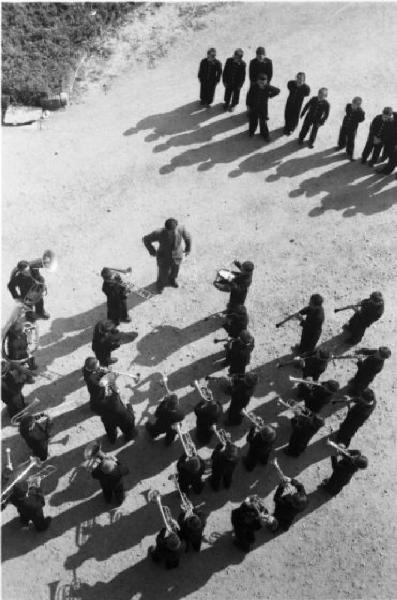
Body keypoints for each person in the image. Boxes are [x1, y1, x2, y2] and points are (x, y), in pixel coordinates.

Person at [143, 218, 191, 293]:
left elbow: (188, 237)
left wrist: (188, 248)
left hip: (177, 254)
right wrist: (152, 251)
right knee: (163, 273)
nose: (171, 233)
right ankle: (160, 285)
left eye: (173, 231)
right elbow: (146, 239)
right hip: (164, 256)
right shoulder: (158, 233)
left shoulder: (181, 228)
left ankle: (172, 280)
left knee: (175, 269)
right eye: (169, 232)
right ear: (166, 228)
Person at [95, 378, 136, 444]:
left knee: (110, 431)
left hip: (109, 419)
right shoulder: (115, 396)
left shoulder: (100, 401)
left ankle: (112, 440)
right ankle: (128, 437)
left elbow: (99, 411)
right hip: (123, 417)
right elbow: (117, 392)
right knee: (128, 429)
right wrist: (129, 405)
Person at [246, 74, 280, 141]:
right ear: (257, 81)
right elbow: (249, 96)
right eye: (260, 82)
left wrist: (270, 95)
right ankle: (251, 131)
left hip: (263, 108)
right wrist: (248, 105)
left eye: (263, 83)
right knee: (253, 120)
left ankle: (264, 134)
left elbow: (277, 90)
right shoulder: (254, 87)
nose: (261, 84)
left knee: (263, 122)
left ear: (266, 82)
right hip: (254, 107)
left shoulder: (267, 87)